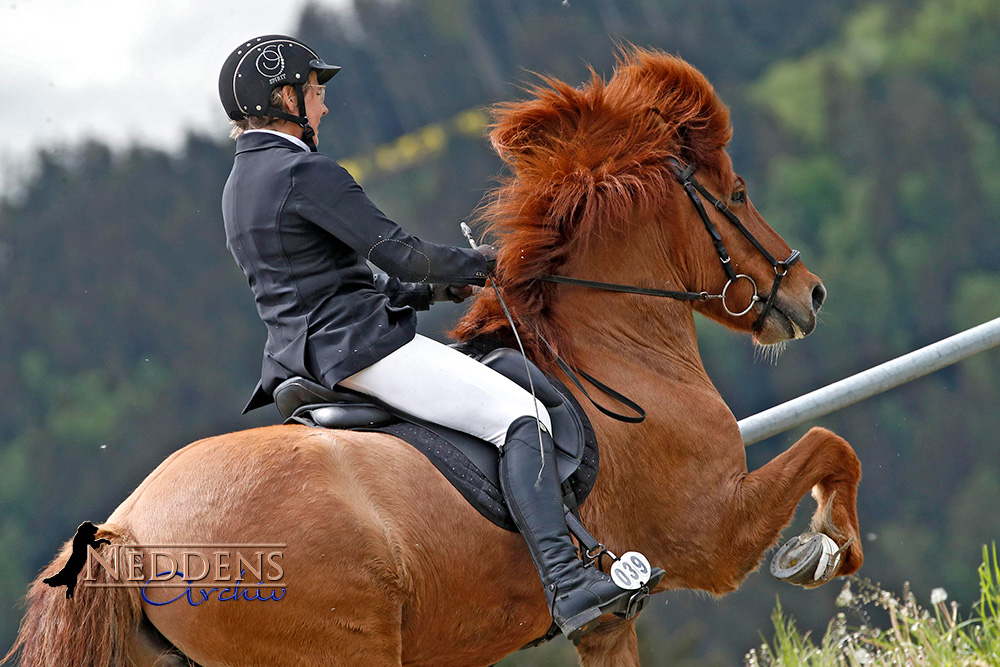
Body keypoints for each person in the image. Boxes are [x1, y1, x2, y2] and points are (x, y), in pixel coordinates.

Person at [219, 34, 638, 640]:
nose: (323, 107)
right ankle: (569, 585)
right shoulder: (303, 171)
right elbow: (403, 254)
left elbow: (319, 284)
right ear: (284, 96)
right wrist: (486, 263)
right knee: (521, 416)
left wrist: (427, 292)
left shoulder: (240, 185)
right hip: (362, 353)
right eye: (315, 93)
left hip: (300, 357)